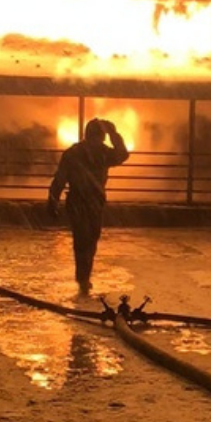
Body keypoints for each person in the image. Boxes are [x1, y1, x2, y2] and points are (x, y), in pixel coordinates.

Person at [47, 118, 130, 294]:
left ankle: (82, 277)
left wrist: (53, 199)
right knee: (91, 239)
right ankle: (84, 277)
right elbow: (122, 154)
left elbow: (60, 178)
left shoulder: (72, 152)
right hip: (94, 202)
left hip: (77, 200)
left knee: (81, 239)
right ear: (102, 136)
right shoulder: (103, 152)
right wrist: (114, 134)